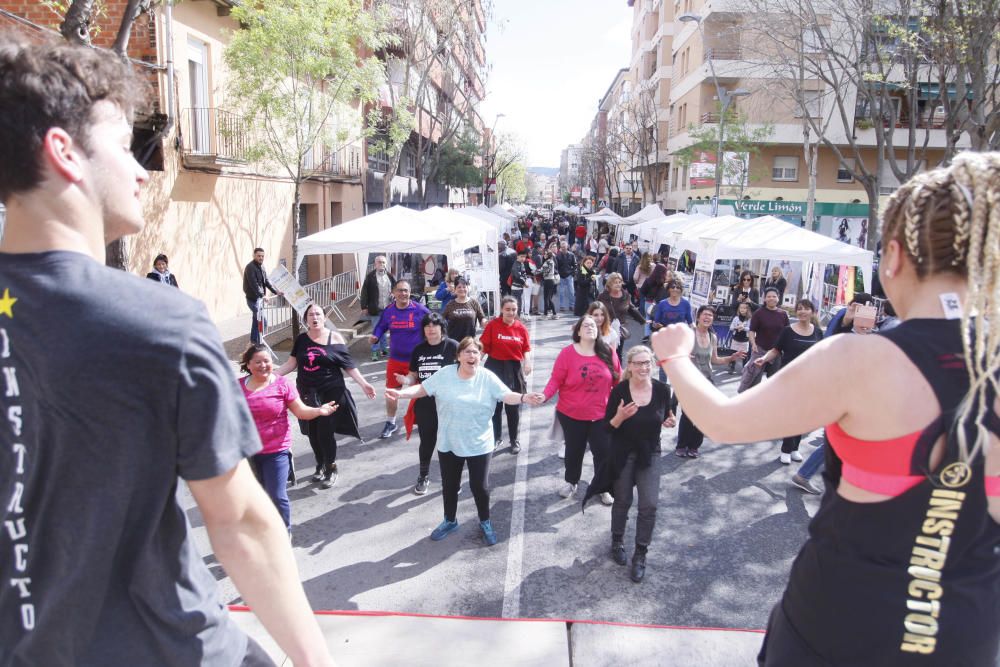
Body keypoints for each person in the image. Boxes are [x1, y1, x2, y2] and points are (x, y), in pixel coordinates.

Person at [0, 38, 332, 665]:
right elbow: (241, 524)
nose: (141, 170)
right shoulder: (163, 324)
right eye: (124, 147)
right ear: (64, 153)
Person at [652, 152, 1000, 666]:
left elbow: (724, 419)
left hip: (837, 628)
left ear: (894, 258)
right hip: (964, 641)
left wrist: (675, 356)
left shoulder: (859, 359)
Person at [386, 337, 543, 545]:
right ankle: (450, 520)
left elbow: (506, 395)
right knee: (450, 485)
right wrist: (400, 394)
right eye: (467, 352)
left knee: (480, 487)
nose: (472, 356)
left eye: (476, 352)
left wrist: (523, 397)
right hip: (449, 441)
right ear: (458, 356)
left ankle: (485, 522)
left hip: (479, 443)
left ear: (480, 356)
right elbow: (422, 389)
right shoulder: (444, 374)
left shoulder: (487, 377)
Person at [585, 345, 675, 583]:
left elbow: (668, 415)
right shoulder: (620, 391)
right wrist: (620, 417)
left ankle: (640, 554)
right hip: (623, 453)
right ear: (630, 366)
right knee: (623, 501)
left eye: (647, 363)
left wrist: (670, 421)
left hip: (650, 454)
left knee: (649, 505)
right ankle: (617, 542)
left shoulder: (664, 390)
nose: (644, 367)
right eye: (639, 363)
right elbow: (606, 427)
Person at [240, 343, 338, 529]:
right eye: (258, 362)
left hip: (276, 449)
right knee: (255, 497)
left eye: (267, 361)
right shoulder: (237, 387)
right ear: (248, 364)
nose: (263, 365)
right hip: (248, 452)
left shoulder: (282, 384)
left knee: (276, 495)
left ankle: (284, 531)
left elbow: (301, 411)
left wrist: (319, 411)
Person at [277, 303, 376, 487]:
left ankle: (331, 467)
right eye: (310, 315)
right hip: (307, 393)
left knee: (325, 432)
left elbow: (349, 365)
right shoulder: (301, 340)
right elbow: (290, 364)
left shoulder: (335, 338)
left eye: (318, 314)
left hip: (331, 392)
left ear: (324, 318)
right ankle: (320, 463)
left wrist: (364, 384)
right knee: (312, 433)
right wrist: (269, 377)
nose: (314, 318)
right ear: (305, 319)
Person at [542, 315, 621, 501]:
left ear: (598, 330)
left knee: (603, 452)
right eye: (585, 325)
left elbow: (618, 380)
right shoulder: (567, 354)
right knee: (573, 452)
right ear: (578, 331)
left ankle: (602, 487)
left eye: (593, 325)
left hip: (601, 415)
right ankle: (571, 481)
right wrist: (545, 395)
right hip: (571, 414)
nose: (590, 327)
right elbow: (556, 379)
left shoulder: (608, 352)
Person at [753, 299, 824, 464]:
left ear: (812, 312)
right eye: (799, 309)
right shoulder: (788, 331)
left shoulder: (818, 333)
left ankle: (795, 448)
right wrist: (763, 359)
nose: (802, 312)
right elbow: (776, 350)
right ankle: (786, 448)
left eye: (806, 309)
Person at [395, 313, 458, 495]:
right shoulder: (418, 350)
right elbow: (414, 375)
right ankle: (423, 476)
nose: (431, 329)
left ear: (441, 328)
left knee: (450, 442)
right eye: (427, 326)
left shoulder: (452, 346)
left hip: (449, 403)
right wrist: (405, 380)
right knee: (427, 441)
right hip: (425, 403)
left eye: (435, 325)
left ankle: (452, 479)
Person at [674, 305, 743, 458]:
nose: (707, 318)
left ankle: (694, 446)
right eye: (705, 315)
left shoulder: (713, 337)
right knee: (689, 414)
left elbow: (715, 360)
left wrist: (731, 358)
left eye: (710, 316)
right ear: (698, 317)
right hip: (689, 381)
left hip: (707, 380)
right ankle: (681, 445)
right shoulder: (689, 334)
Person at [371, 280, 430, 439]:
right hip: (395, 360)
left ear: (410, 292)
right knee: (391, 392)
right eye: (400, 291)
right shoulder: (389, 311)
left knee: (421, 393)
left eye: (406, 290)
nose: (403, 294)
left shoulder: (419, 310)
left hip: (416, 361)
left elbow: (436, 322)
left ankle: (421, 419)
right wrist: (376, 336)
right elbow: (381, 325)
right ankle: (391, 422)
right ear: (393, 292)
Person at [480, 296, 533, 454]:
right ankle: (496, 438)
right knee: (495, 407)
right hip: (494, 367)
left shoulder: (521, 328)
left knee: (512, 408)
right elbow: (483, 347)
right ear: (502, 310)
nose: (511, 312)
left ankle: (514, 439)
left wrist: (527, 362)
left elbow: (526, 348)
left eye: (514, 310)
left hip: (513, 369)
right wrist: (474, 363)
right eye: (508, 309)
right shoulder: (493, 325)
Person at [737, 287, 790, 393]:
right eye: (769, 296)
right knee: (753, 380)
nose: (771, 299)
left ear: (778, 298)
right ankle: (748, 401)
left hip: (776, 352)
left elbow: (787, 332)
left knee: (775, 381)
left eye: (774, 296)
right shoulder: (759, 313)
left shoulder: (783, 314)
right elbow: (752, 331)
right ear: (764, 299)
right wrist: (753, 344)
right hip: (760, 350)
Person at [597, 272, 646, 356]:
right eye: (615, 282)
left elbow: (631, 308)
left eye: (620, 282)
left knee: (618, 354)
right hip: (605, 328)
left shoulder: (625, 295)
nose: (618, 284)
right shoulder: (602, 296)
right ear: (610, 284)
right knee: (604, 353)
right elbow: (595, 310)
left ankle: (616, 369)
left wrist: (643, 320)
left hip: (619, 330)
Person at [243, 246, 282, 345]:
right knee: (263, 322)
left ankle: (253, 341)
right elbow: (254, 284)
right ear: (254, 256)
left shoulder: (262, 266)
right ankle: (259, 342)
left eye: (262, 256)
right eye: (259, 256)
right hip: (252, 299)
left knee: (256, 320)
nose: (261, 258)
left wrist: (275, 291)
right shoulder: (250, 267)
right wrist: (263, 295)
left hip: (259, 299)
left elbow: (266, 281)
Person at [359, 255, 395, 361]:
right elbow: (364, 292)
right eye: (379, 262)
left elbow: (395, 287)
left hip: (388, 309)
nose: (381, 264)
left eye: (383, 262)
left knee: (384, 330)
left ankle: (383, 349)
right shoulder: (370, 276)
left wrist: (393, 293)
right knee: (376, 330)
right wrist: (364, 307)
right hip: (375, 309)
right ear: (375, 264)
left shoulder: (389, 275)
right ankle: (375, 351)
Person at [441, 276, 485, 342]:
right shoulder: (450, 304)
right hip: (454, 343)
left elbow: (482, 318)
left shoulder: (474, 302)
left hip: (470, 342)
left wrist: (485, 322)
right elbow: (441, 319)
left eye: (464, 287)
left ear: (468, 288)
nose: (462, 289)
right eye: (459, 287)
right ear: (455, 289)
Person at [727, 301, 753, 373]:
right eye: (741, 308)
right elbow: (731, 327)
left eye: (744, 308)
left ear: (747, 310)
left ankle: (745, 368)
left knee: (744, 355)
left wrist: (743, 328)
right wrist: (736, 327)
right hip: (736, 339)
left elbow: (750, 328)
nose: (742, 309)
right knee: (733, 353)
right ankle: (731, 367)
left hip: (745, 340)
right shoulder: (736, 318)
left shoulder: (749, 319)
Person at [541, 248, 558, 320]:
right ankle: (554, 314)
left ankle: (546, 314)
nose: (544, 255)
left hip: (548, 280)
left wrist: (535, 271)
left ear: (548, 255)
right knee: (548, 298)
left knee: (547, 298)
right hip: (550, 280)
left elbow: (545, 271)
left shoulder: (548, 262)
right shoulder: (550, 261)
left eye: (545, 254)